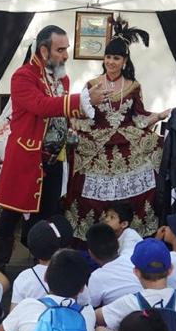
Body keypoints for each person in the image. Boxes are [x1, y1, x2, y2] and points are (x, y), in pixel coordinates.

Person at [0, 24, 105, 272]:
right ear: (43, 50)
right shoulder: (22, 76)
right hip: (26, 159)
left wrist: (83, 112)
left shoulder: (62, 77)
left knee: (47, 215)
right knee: (10, 215)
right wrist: (81, 99)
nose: (65, 55)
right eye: (60, 49)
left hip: (54, 158)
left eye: (66, 49)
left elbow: (60, 111)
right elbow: (42, 105)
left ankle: (39, 268)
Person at [65, 17, 170, 241]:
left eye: (116, 58)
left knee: (156, 152)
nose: (111, 62)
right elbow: (83, 114)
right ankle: (94, 236)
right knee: (85, 191)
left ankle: (130, 234)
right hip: (96, 142)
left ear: (124, 61)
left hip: (127, 139)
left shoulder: (133, 86)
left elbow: (138, 116)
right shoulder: (92, 85)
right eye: (108, 57)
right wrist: (72, 122)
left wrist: (158, 116)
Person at [95, 239, 176, 331]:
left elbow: (96, 317)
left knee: (100, 330)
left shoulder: (129, 302)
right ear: (170, 270)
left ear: (136, 272)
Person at [10, 215, 80, 309]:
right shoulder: (74, 275)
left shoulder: (24, 278)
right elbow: (85, 305)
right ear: (61, 248)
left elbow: (14, 313)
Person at [85, 223, 141, 308]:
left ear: (90, 253)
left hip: (121, 319)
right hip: (147, 311)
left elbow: (90, 305)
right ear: (118, 244)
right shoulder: (132, 258)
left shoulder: (97, 277)